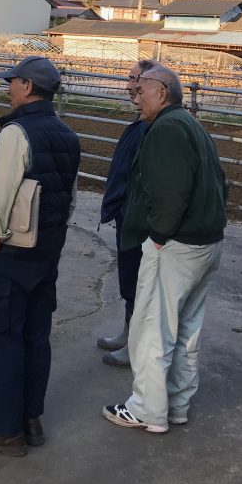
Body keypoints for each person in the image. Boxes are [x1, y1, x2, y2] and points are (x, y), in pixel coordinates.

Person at [0, 56, 80, 457]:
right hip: (46, 254)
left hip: (12, 253)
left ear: (27, 87)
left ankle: (2, 431)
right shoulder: (66, 133)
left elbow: (1, 194)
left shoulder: (16, 132)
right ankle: (30, 420)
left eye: (12, 83)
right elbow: (68, 198)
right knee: (34, 337)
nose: (7, 88)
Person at [102, 65, 228, 434]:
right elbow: (220, 182)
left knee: (153, 329)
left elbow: (170, 193)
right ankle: (176, 405)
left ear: (162, 91)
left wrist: (158, 235)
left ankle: (147, 410)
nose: (135, 96)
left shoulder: (166, 129)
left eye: (141, 90)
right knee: (187, 329)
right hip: (206, 242)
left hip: (178, 245)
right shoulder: (192, 126)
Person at [96, 59, 159, 367]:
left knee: (138, 281)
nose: (129, 85)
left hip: (139, 219)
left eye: (135, 79)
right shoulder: (140, 122)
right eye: (129, 78)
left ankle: (136, 345)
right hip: (127, 213)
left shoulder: (153, 126)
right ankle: (127, 332)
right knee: (129, 277)